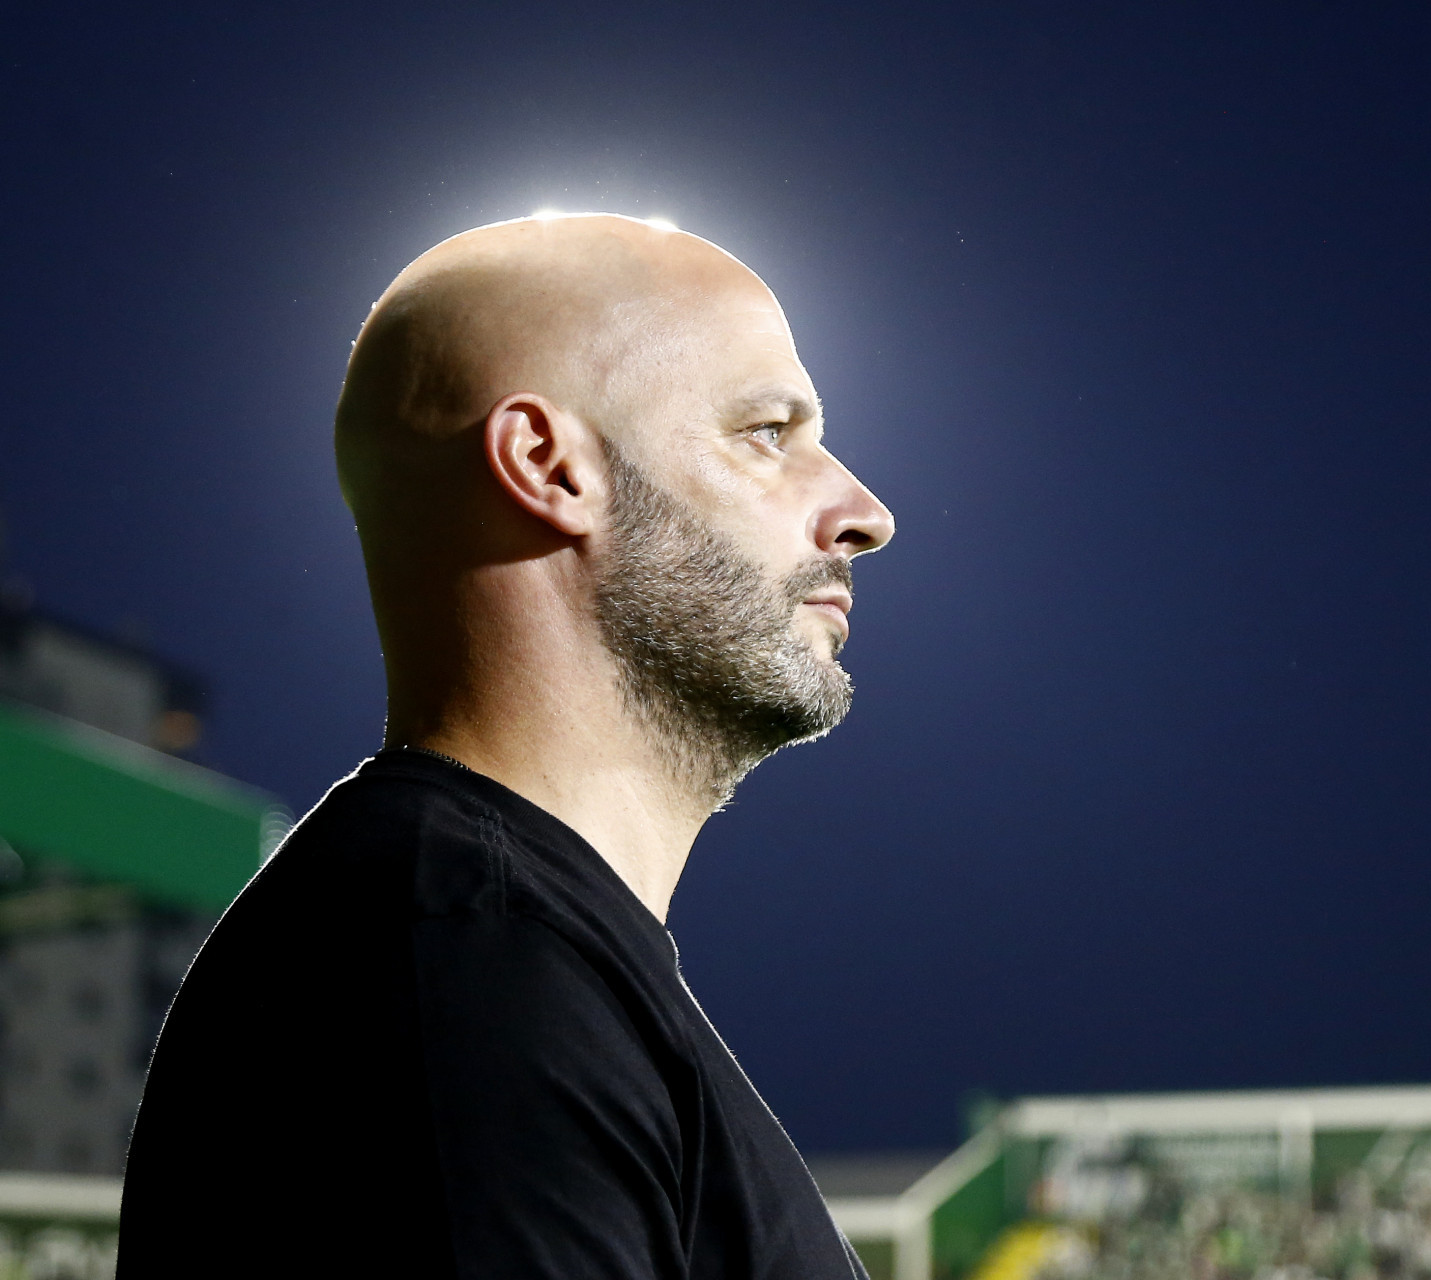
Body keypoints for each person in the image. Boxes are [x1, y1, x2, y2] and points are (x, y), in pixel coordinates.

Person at [118, 213, 895, 1277]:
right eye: (767, 432)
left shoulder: (506, 958)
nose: (864, 510)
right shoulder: (465, 977)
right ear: (547, 464)